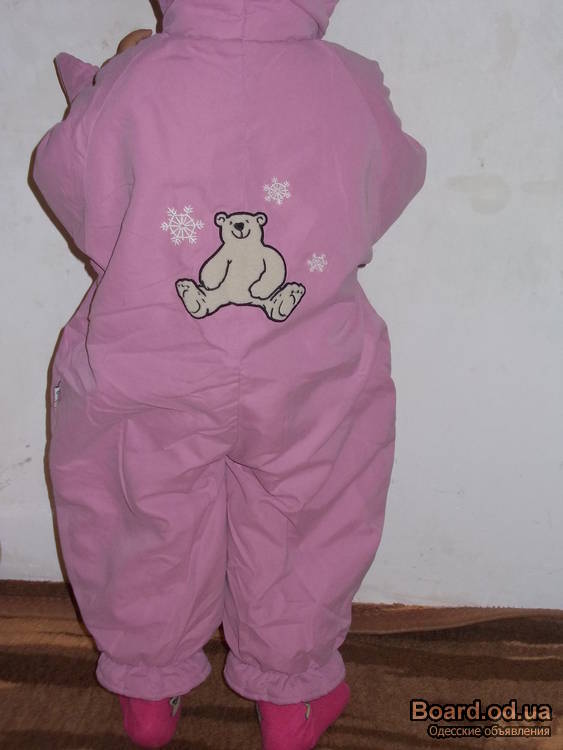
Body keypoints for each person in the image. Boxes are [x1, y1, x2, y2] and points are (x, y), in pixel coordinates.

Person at [31, 1, 426, 748]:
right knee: (307, 516)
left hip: (149, 350)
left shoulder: (137, 76)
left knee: (138, 513)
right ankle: (291, 702)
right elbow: (391, 182)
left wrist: (96, 91)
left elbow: (69, 181)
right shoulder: (348, 82)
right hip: (306, 359)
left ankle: (148, 694)